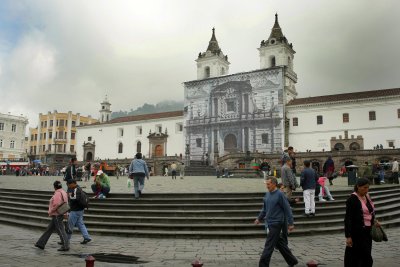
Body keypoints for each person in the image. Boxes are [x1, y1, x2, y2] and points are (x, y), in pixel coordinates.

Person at [254, 177, 298, 267]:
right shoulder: (267, 194)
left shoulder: (280, 194)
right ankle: (292, 260)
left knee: (269, 245)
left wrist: (291, 223)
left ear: (274, 184)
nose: (267, 186)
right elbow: (264, 209)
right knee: (280, 243)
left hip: (277, 222)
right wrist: (259, 218)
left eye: (268, 184)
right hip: (269, 222)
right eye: (266, 184)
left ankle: (263, 265)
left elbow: (287, 209)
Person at [344, 178, 380, 267]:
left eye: (368, 188)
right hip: (357, 232)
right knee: (356, 255)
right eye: (364, 188)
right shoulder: (352, 199)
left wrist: (374, 221)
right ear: (358, 187)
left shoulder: (367, 196)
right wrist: (348, 236)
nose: (366, 190)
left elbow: (370, 211)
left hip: (368, 231)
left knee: (366, 253)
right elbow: (348, 218)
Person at [35, 180, 70, 251]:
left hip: (56, 214)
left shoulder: (57, 193)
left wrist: (51, 211)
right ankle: (40, 243)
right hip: (60, 213)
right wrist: (65, 213)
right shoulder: (63, 192)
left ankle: (66, 245)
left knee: (61, 230)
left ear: (54, 187)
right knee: (49, 229)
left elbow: (56, 204)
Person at [66, 179, 91, 244]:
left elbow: (75, 198)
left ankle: (66, 239)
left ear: (72, 183)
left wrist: (69, 196)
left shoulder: (76, 189)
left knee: (70, 226)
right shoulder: (79, 188)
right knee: (80, 224)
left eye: (68, 184)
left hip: (75, 210)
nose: (68, 186)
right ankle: (86, 237)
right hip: (80, 210)